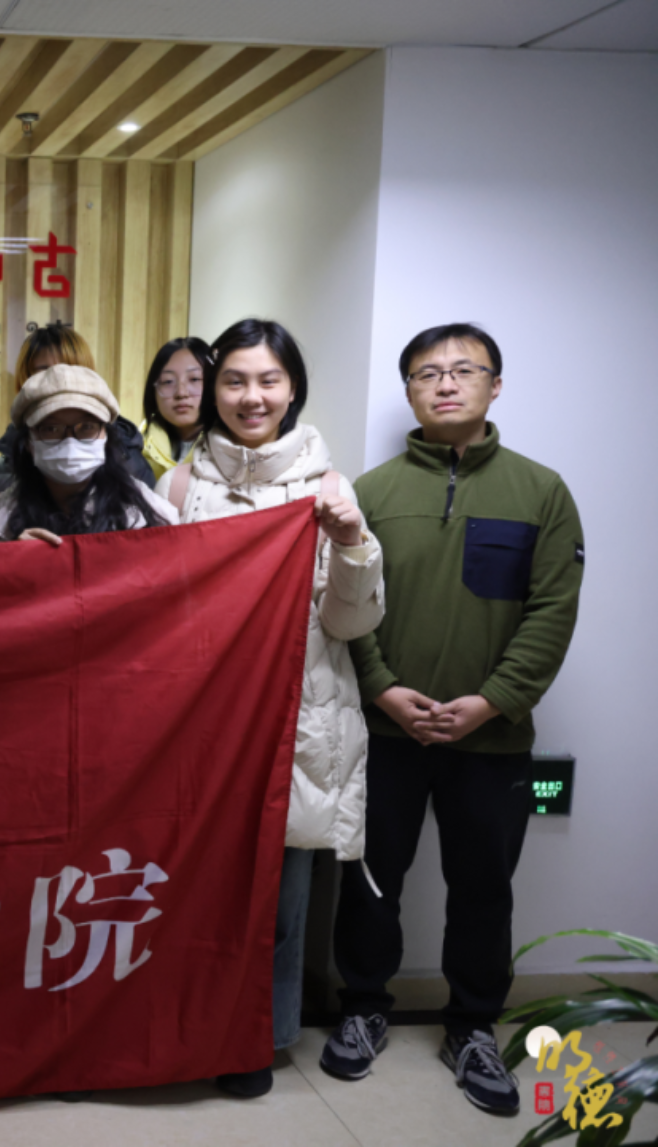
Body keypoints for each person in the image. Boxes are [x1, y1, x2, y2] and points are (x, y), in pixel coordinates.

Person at [324, 324, 582, 1116]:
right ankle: (364, 1006)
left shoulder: (542, 491)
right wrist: (382, 687)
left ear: (494, 385)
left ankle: (472, 1025)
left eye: (464, 369)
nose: (445, 383)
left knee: (483, 888)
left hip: (493, 738)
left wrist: (492, 700)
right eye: (426, 372)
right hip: (385, 731)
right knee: (371, 879)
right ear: (408, 389)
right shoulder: (370, 492)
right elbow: (343, 603)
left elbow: (552, 610)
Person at [154, 318, 384, 1099]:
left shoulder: (328, 488)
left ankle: (260, 1035)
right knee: (195, 889)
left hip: (295, 722)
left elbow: (350, 623)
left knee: (280, 902)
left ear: (292, 390)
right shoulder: (179, 487)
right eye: (234, 380)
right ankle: (188, 1029)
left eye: (268, 380)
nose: (251, 396)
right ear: (213, 388)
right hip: (201, 723)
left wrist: (351, 545)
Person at [0, 363, 176, 543]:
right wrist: (11, 558)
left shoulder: (154, 514)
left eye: (86, 427)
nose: (70, 441)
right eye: (51, 428)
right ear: (28, 442)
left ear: (106, 435)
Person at [0, 323, 155, 490]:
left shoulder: (125, 454)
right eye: (45, 372)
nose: (61, 378)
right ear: (24, 380)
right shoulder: (9, 459)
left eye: (71, 368)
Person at [138, 337, 211, 481]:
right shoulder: (135, 448)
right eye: (168, 381)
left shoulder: (234, 450)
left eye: (195, 379)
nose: (181, 393)